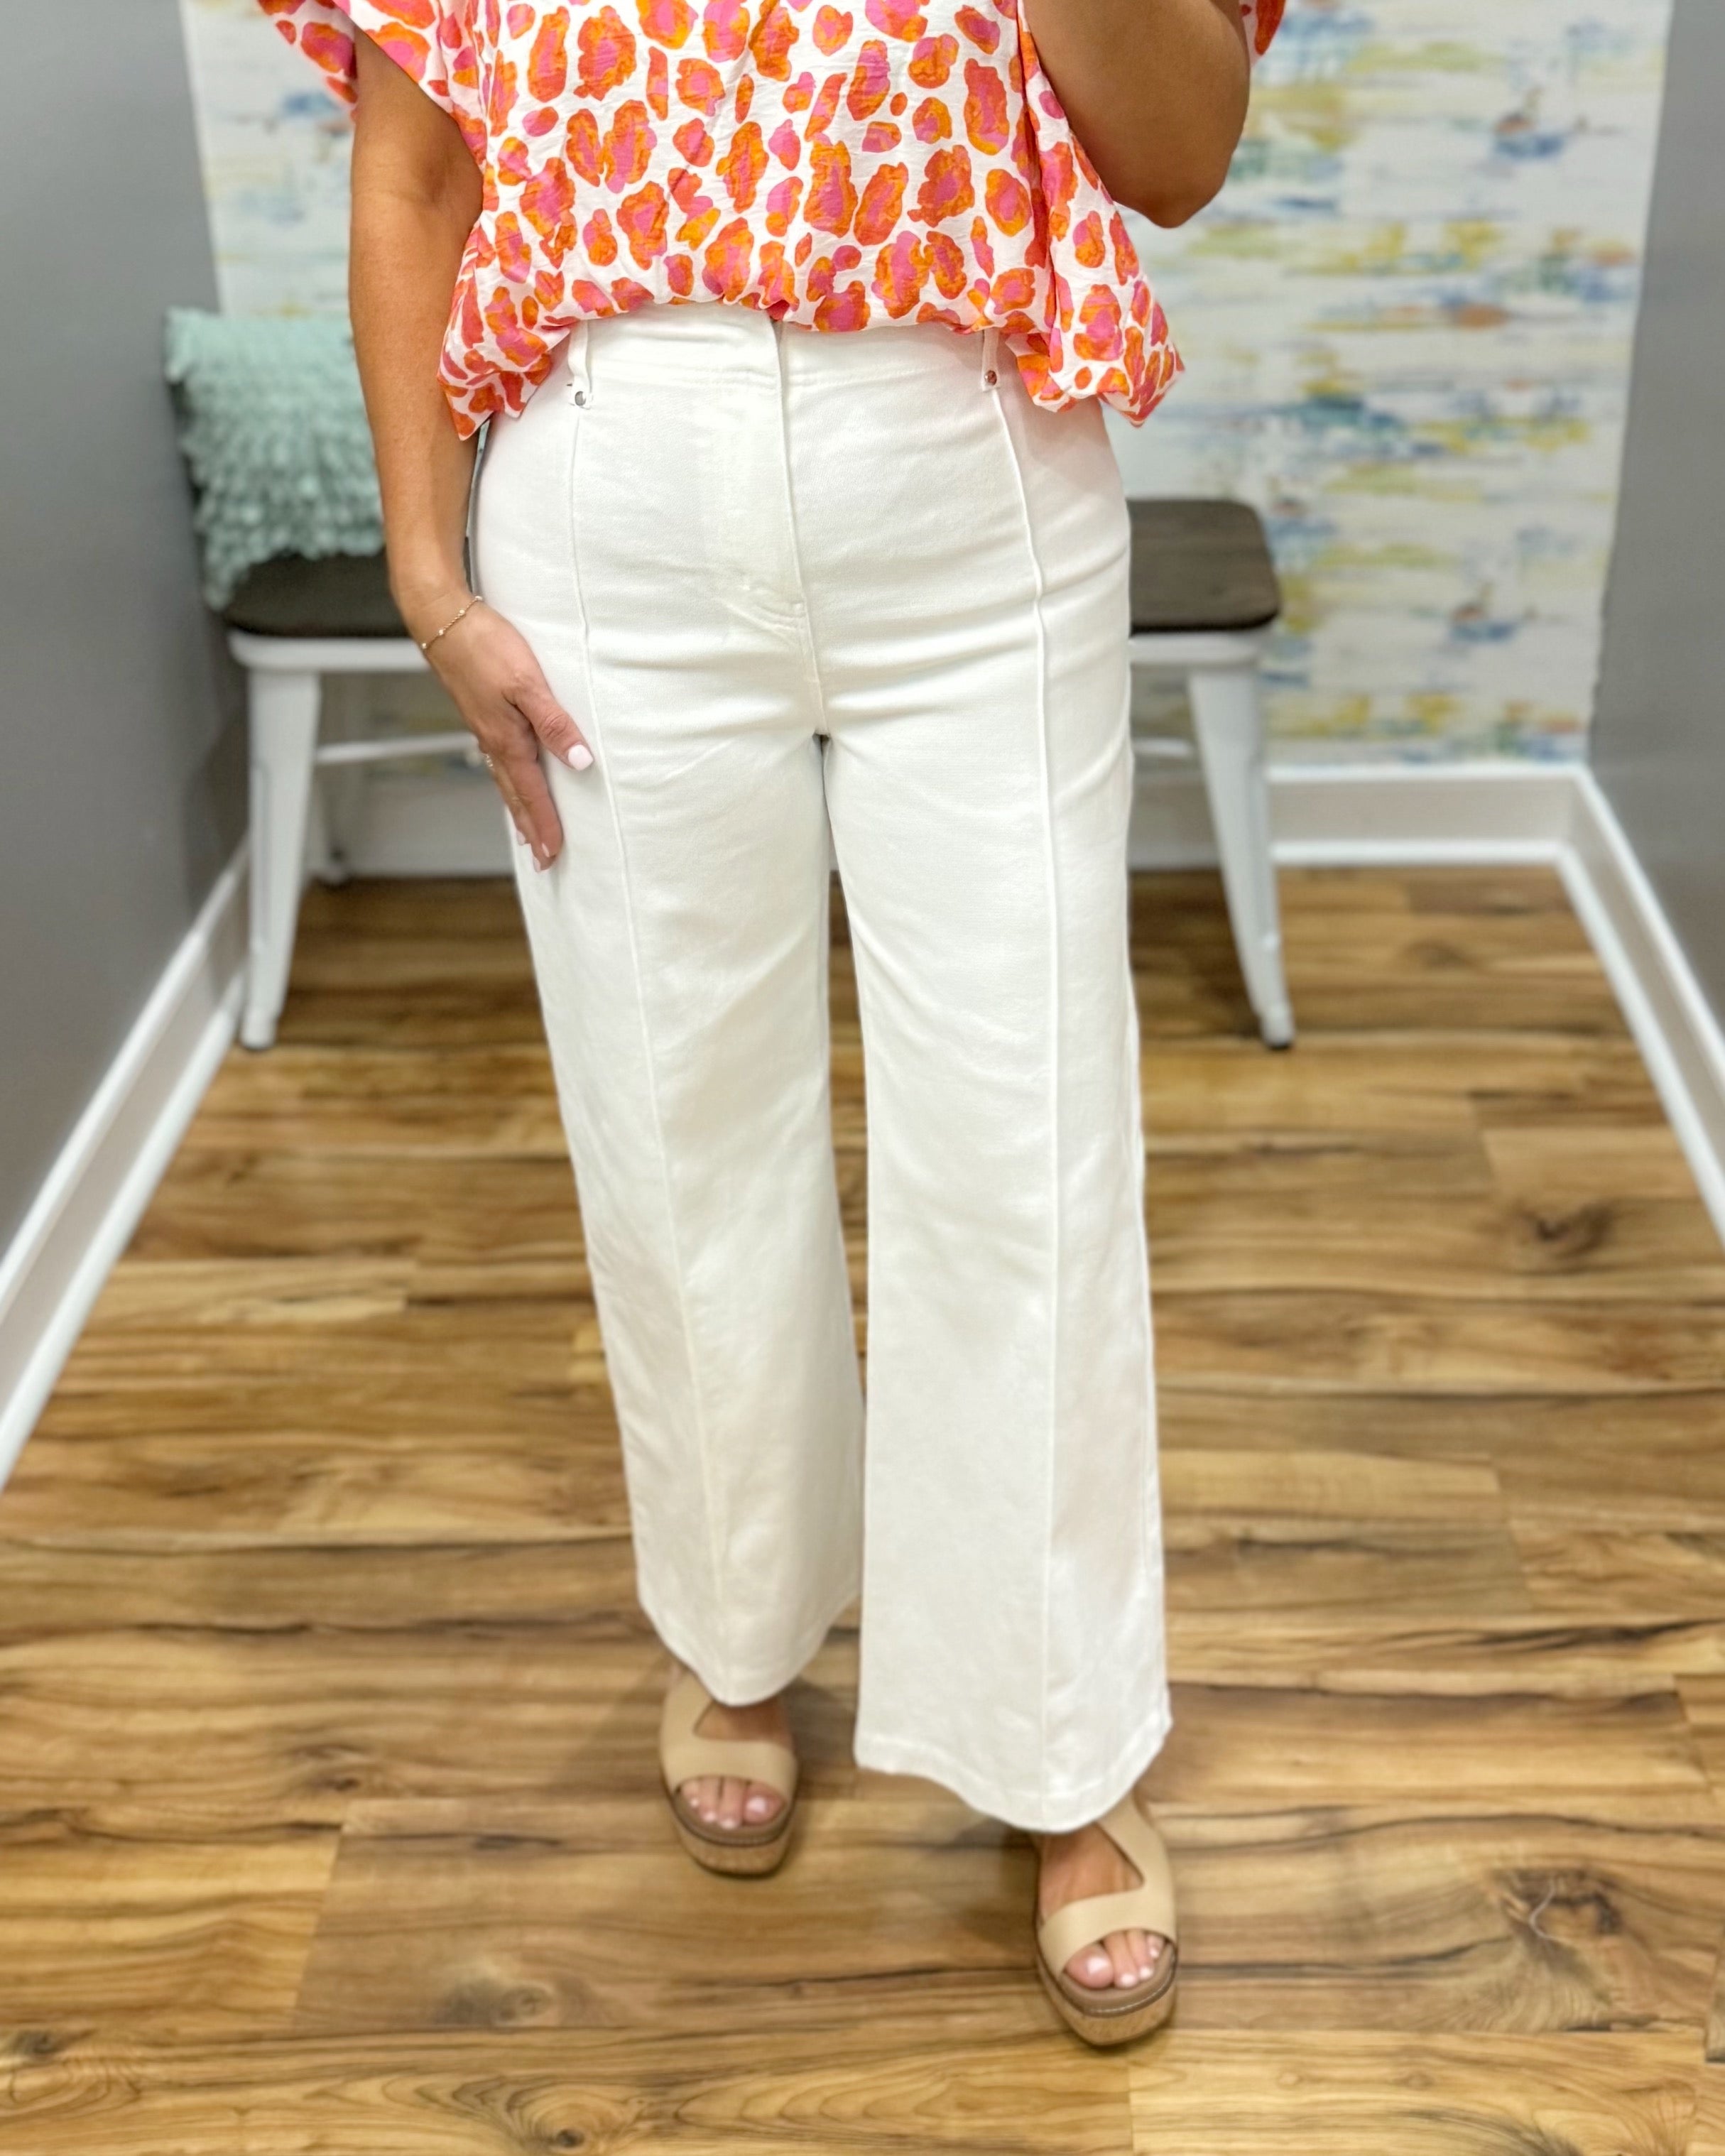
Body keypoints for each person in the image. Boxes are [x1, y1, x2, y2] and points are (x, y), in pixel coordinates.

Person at [264, 0, 1280, 2047]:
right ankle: (736, 1629)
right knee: (676, 1123)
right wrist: (429, 574)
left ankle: (1062, 1739)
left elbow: (1176, 154)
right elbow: (419, 160)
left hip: (968, 466)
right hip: (607, 491)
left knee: (1028, 1141)